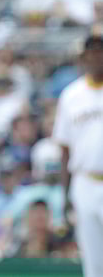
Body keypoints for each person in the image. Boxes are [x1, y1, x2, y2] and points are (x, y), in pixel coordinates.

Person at [53, 29, 103, 277]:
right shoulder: (71, 95)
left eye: (100, 52)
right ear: (83, 58)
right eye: (91, 53)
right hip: (84, 181)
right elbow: (64, 149)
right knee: (93, 264)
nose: (96, 57)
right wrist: (66, 195)